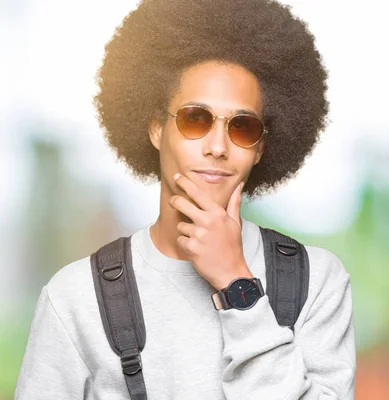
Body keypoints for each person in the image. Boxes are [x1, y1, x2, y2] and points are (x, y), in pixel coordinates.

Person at [14, 0, 356, 398]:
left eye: (242, 127)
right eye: (197, 118)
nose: (217, 146)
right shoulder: (75, 298)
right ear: (157, 129)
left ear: (260, 149)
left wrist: (237, 284)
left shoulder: (316, 282)